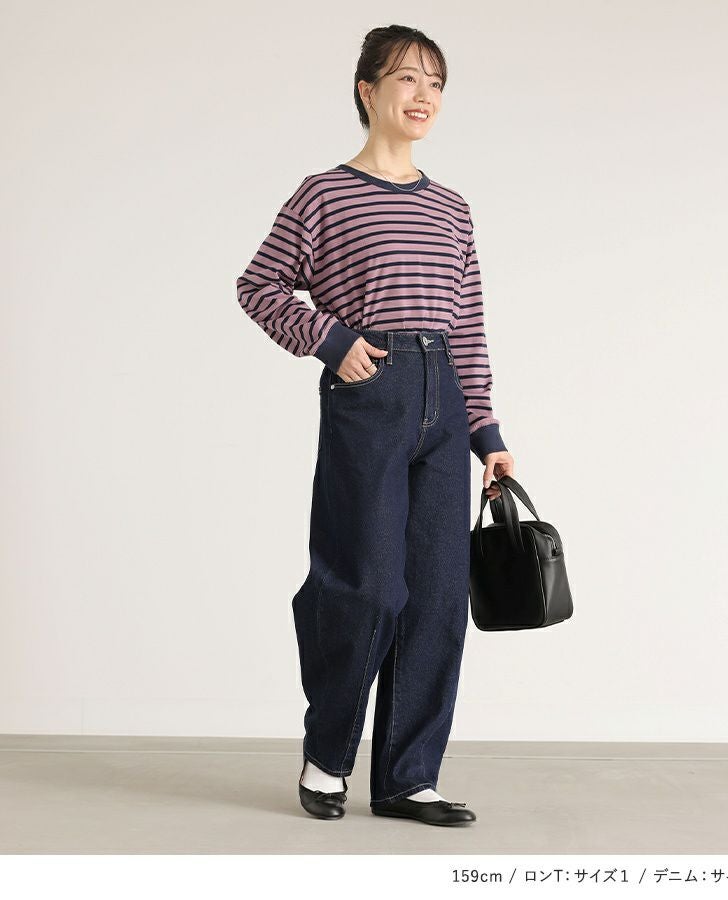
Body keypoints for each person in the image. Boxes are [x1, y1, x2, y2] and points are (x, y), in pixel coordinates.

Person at [235, 25, 514, 827]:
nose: (424, 96)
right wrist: (331, 341)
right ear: (368, 90)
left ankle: (406, 779)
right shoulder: (325, 193)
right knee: (368, 586)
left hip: (444, 400)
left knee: (436, 597)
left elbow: (467, 328)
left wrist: (487, 434)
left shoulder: (452, 207)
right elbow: (259, 286)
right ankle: (328, 755)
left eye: (436, 83)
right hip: (370, 396)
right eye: (407, 79)